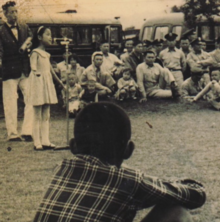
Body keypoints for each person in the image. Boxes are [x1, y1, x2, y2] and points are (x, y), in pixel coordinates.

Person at [33, 102, 206, 222]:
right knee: (176, 211)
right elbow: (196, 195)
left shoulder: (61, 168)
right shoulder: (128, 181)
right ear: (128, 150)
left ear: (73, 146)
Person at [0, 1, 33, 141]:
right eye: (11, 12)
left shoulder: (24, 28)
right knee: (10, 103)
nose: (14, 14)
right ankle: (12, 133)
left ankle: (27, 131)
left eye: (15, 11)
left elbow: (32, 41)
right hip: (8, 70)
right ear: (5, 14)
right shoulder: (0, 30)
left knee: (31, 99)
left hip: (25, 69)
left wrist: (29, 45)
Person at [28, 26, 65, 150]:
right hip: (38, 84)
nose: (51, 37)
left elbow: (51, 71)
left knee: (46, 114)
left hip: (46, 84)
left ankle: (46, 141)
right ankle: (37, 142)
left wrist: (60, 83)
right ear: (39, 37)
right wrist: (36, 72)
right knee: (37, 114)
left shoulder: (47, 55)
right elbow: (33, 66)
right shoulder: (35, 53)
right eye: (48, 34)